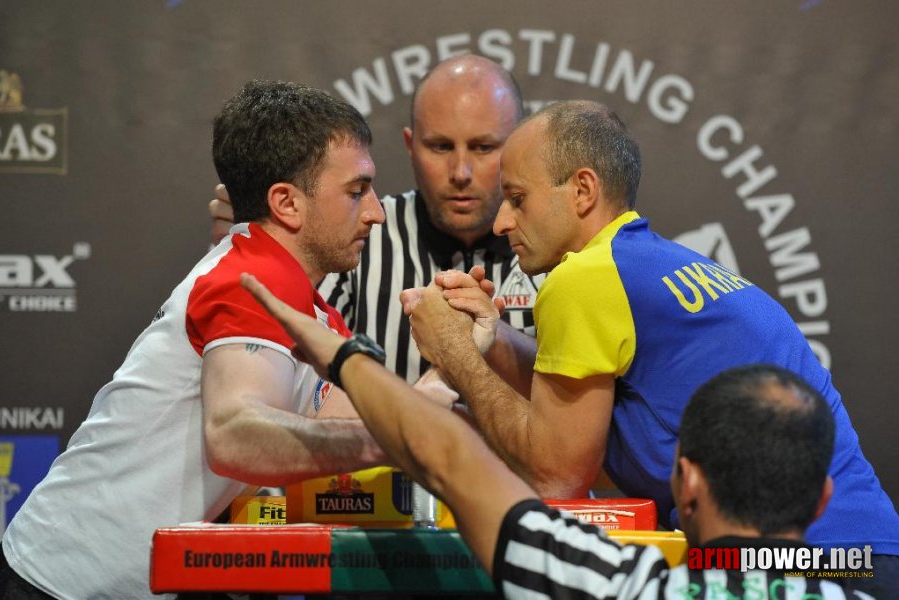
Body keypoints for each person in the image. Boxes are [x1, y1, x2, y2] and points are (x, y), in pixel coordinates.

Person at [402, 100, 899, 596]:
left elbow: (556, 477)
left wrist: (456, 354)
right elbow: (588, 394)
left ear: (582, 190)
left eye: (517, 198)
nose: (501, 223)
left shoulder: (585, 278)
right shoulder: (647, 264)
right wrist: (490, 335)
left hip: (797, 566)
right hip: (862, 555)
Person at [0, 81, 401, 600]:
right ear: (287, 203)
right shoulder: (250, 279)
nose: (376, 212)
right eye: (355, 190)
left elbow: (364, 427)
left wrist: (455, 359)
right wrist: (392, 439)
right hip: (58, 585)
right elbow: (235, 439)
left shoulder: (304, 305)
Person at [239, 273, 876, 598]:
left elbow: (449, 458)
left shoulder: (614, 584)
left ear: (687, 481)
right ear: (822, 499)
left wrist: (343, 355)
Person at [210, 54, 539, 390]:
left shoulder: (558, 242)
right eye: (440, 147)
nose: (460, 173)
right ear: (411, 146)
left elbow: (578, 395)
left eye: (483, 147)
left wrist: (492, 336)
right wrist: (260, 248)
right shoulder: (353, 232)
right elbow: (303, 389)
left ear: (517, 147)